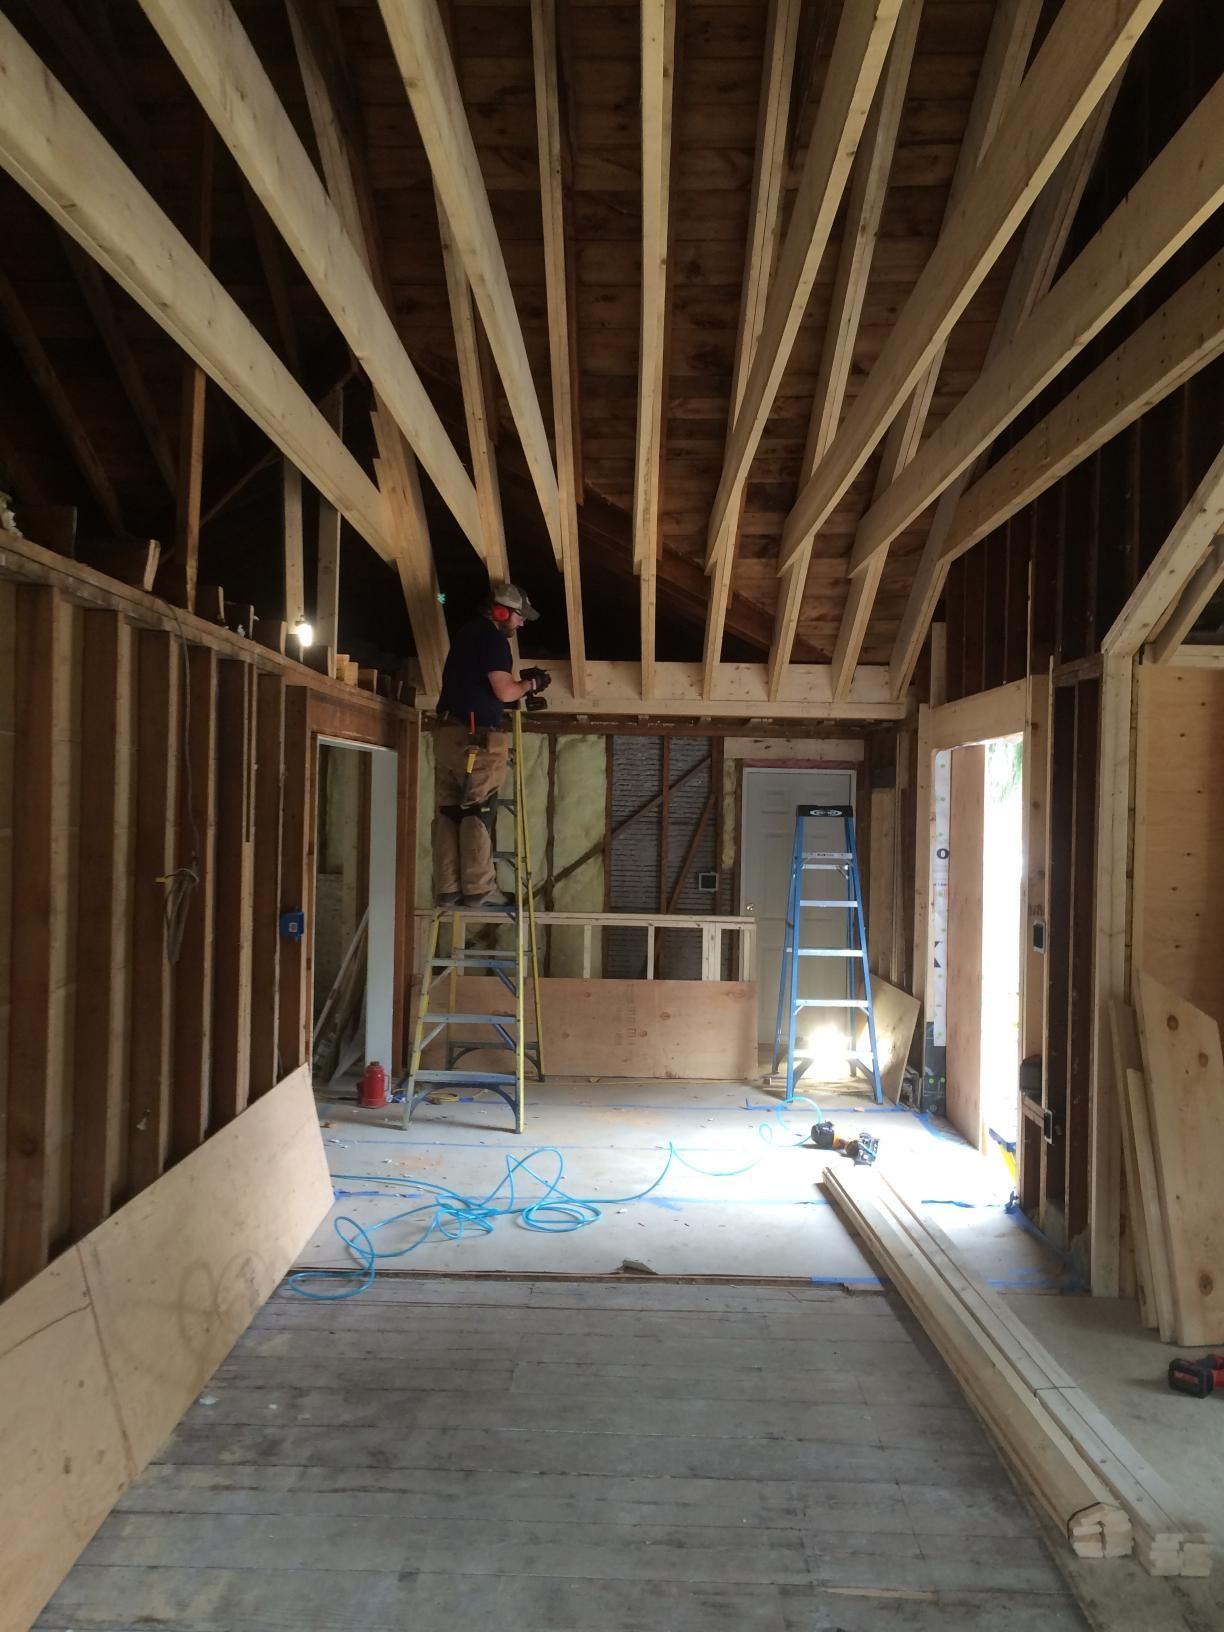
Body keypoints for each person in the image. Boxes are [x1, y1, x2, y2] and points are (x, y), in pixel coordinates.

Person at [432, 582, 551, 908]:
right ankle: (480, 889)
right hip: (476, 739)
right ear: (500, 611)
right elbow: (504, 692)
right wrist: (531, 683)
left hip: (446, 734)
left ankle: (448, 888)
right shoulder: (493, 640)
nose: (521, 623)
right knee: (477, 811)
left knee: (449, 812)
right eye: (519, 616)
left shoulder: (467, 634)